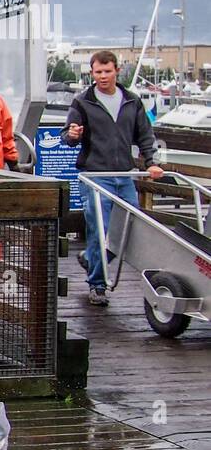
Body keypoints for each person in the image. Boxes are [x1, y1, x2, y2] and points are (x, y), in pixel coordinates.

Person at [63, 50, 164, 306]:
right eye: (98, 72)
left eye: (107, 71)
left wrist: (150, 162)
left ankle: (91, 260)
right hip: (95, 175)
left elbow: (144, 135)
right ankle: (97, 285)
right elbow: (68, 136)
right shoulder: (83, 101)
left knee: (133, 229)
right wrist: (73, 135)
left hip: (124, 175)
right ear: (92, 73)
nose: (103, 76)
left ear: (117, 71)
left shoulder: (131, 100)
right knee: (100, 229)